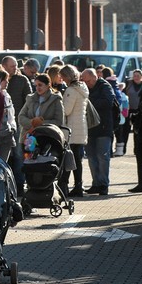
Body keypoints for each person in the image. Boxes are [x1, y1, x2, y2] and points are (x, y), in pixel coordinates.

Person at [82, 68, 116, 195]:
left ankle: (103, 185)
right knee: (91, 157)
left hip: (103, 128)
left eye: (89, 81)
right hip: (90, 128)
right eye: (84, 81)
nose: (87, 84)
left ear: (95, 77)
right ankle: (95, 183)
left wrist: (90, 103)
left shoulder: (105, 86)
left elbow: (108, 102)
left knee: (103, 157)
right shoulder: (85, 87)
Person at [60, 65, 89, 197]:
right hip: (81, 127)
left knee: (69, 158)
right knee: (77, 159)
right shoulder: (82, 88)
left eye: (63, 76)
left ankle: (64, 185)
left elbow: (66, 110)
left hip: (71, 128)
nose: (62, 79)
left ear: (67, 76)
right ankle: (78, 185)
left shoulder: (71, 90)